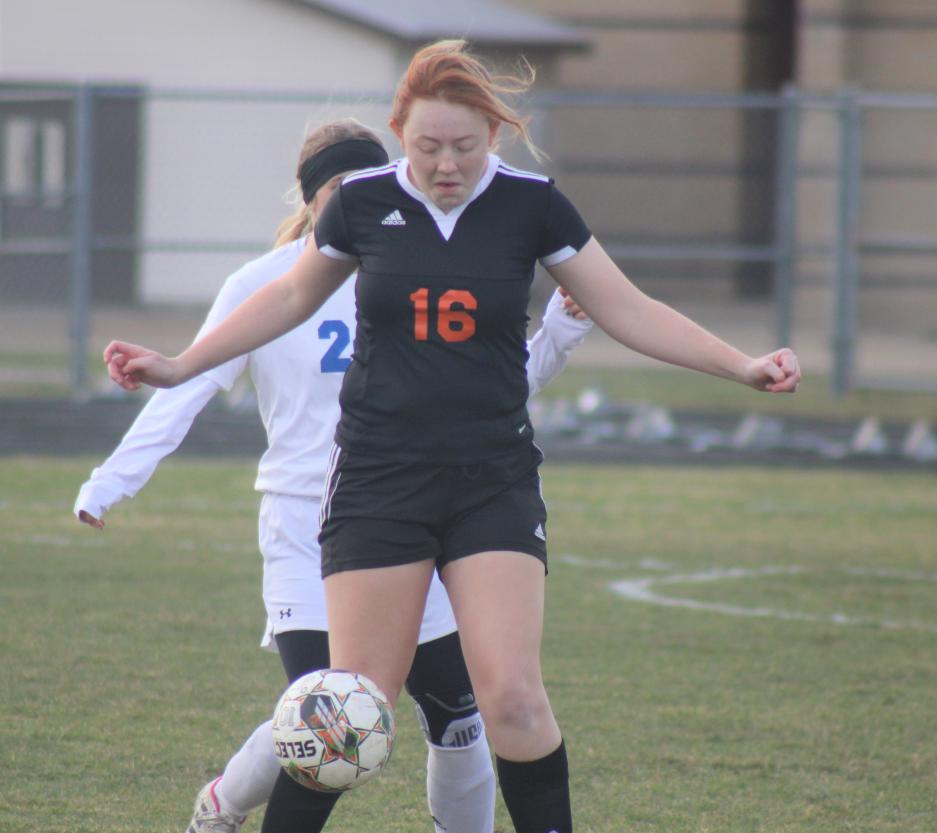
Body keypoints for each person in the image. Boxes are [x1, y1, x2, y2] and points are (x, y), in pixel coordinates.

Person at [103, 40, 800, 833]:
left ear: (493, 138)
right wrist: (180, 363)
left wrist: (742, 364)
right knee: (345, 711)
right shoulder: (361, 201)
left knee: (511, 697)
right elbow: (288, 297)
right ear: (400, 130)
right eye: (428, 145)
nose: (445, 163)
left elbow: (628, 306)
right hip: (379, 483)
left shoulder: (533, 205)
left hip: (491, 480)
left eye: (464, 146)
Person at [76, 118, 592, 833]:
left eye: (365, 183)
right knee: (329, 721)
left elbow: (495, 387)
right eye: (338, 189)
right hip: (308, 524)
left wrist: (560, 335)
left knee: (462, 715)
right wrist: (110, 482)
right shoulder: (262, 284)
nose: (356, 198)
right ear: (314, 198)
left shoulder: (409, 262)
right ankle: (223, 805)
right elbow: (185, 386)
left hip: (430, 511)